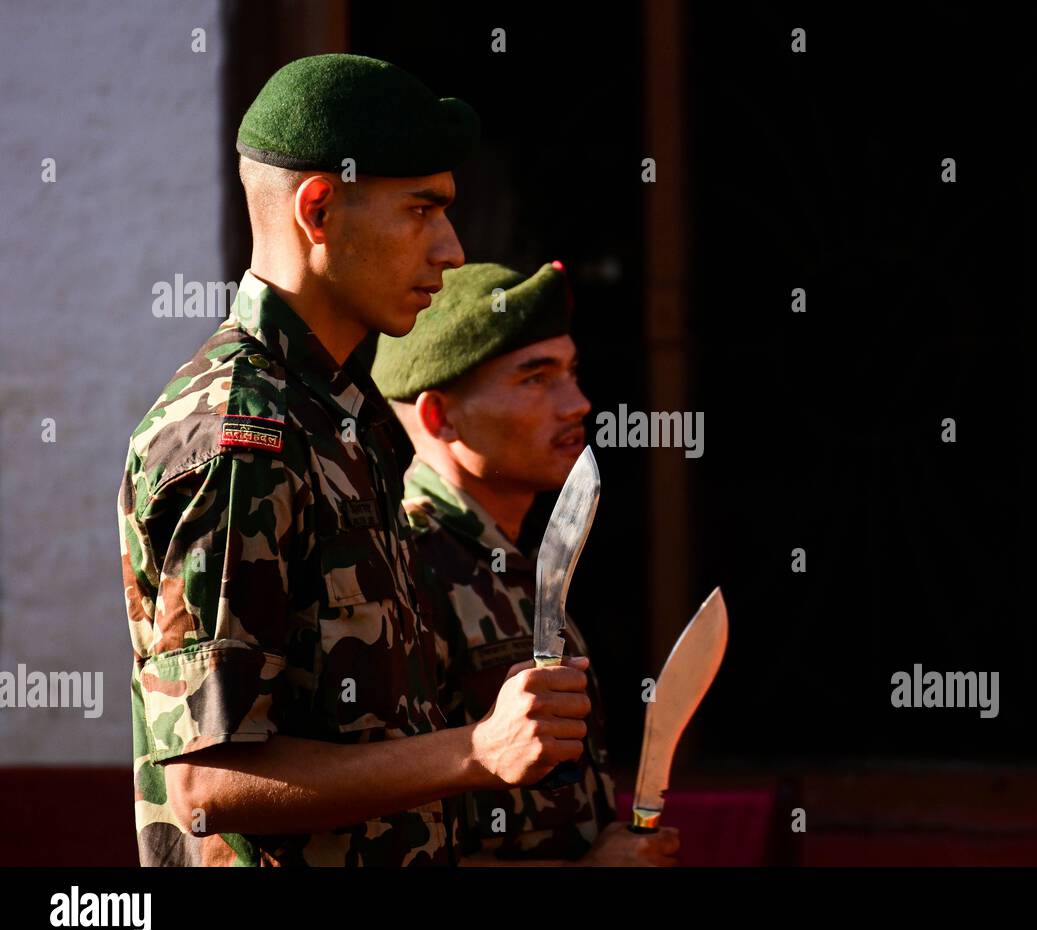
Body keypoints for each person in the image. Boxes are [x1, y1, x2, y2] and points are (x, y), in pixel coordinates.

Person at [118, 55, 591, 867]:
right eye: (422, 209)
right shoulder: (242, 434)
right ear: (320, 207)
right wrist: (476, 750)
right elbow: (206, 784)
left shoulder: (337, 417)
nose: (450, 250)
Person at [372, 261, 680, 866]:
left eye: (571, 372)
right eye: (536, 379)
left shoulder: (507, 560)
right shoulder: (400, 565)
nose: (579, 404)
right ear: (439, 416)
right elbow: (386, 841)